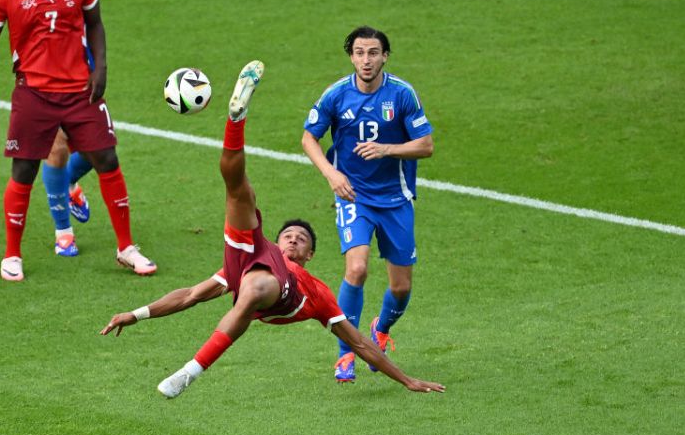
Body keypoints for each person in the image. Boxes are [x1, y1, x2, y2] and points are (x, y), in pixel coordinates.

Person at [100, 61, 445, 399]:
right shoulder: (260, 252)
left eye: (302, 239)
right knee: (238, 189)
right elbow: (190, 295)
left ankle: (191, 370)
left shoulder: (317, 292)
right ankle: (236, 120)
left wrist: (407, 380)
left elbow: (358, 342)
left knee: (254, 288)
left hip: (281, 289)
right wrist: (137, 314)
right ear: (277, 241)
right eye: (289, 235)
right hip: (251, 256)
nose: (294, 238)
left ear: (310, 255)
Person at [0, 0, 151, 271]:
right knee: (44, 156)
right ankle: (59, 234)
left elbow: (89, 9)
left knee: (99, 153)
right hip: (35, 83)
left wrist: (100, 67)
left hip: (80, 72)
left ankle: (94, 213)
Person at [301, 26, 434, 383]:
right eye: (359, 53)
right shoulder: (336, 95)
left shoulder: (403, 94)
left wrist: (388, 149)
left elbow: (426, 145)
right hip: (354, 196)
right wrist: (331, 174)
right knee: (356, 270)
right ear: (351, 56)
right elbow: (308, 137)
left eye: (373, 53)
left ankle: (381, 329)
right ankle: (346, 355)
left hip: (395, 198)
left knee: (402, 287)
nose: (366, 60)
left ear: (385, 56)